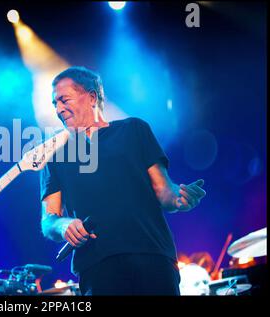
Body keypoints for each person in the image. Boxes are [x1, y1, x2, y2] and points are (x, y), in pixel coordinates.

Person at [40, 66, 206, 295]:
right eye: (54, 104)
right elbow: (48, 220)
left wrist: (180, 198)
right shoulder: (55, 153)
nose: (58, 109)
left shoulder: (134, 129)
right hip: (98, 267)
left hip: (152, 255)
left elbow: (164, 191)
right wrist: (63, 225)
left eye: (63, 100)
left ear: (91, 97)